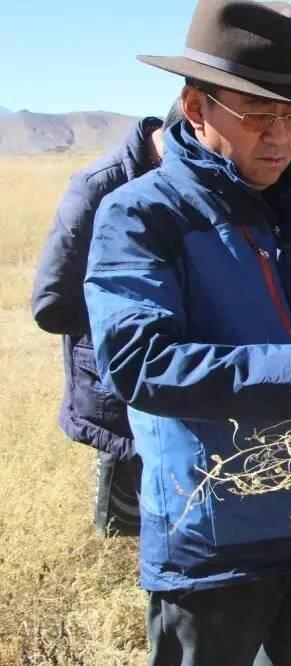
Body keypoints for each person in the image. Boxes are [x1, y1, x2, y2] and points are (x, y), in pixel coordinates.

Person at [83, 2, 291, 663]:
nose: (278, 136)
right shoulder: (141, 216)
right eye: (258, 115)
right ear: (197, 107)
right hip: (212, 539)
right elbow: (140, 363)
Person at [32, 101, 183, 538]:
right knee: (124, 520)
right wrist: (132, 317)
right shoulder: (97, 188)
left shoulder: (180, 180)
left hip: (172, 377)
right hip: (115, 384)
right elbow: (51, 303)